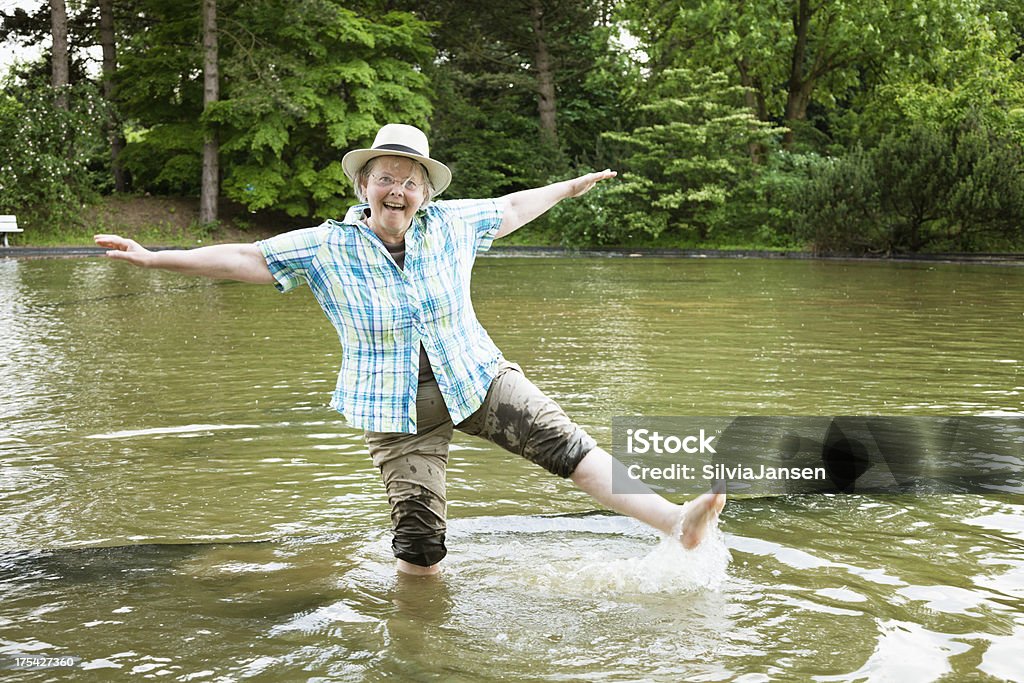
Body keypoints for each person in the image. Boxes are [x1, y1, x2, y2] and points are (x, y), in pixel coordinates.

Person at [94, 123, 725, 576]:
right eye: (386, 178)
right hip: (399, 412)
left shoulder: (451, 225)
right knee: (420, 542)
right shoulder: (324, 247)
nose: (398, 191)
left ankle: (676, 522)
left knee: (571, 449)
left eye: (410, 181)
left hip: (477, 377)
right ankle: (420, 631)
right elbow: (241, 257)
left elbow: (510, 206)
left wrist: (565, 189)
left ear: (426, 191)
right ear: (366, 185)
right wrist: (153, 259)